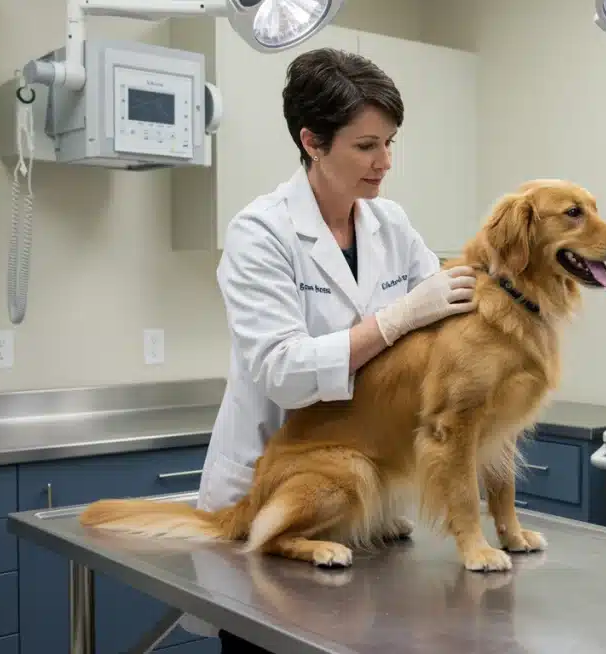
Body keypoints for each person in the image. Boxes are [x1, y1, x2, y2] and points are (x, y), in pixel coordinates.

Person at [186, 48, 478, 653]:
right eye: (366, 145)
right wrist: (396, 318)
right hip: (274, 488)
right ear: (313, 142)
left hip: (362, 505)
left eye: (390, 142)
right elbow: (284, 374)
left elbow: (445, 321)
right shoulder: (260, 232)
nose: (385, 162)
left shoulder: (390, 225)